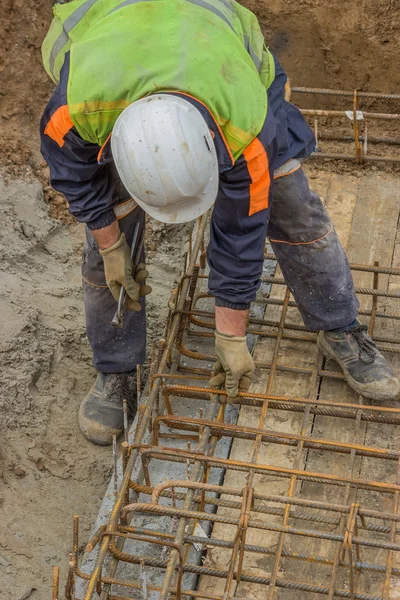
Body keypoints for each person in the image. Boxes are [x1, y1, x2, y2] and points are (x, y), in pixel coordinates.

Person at [40, 0, 400, 445]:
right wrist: (111, 243)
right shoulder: (77, 109)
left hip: (222, 64)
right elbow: (74, 175)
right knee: (105, 236)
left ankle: (340, 328)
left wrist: (231, 334)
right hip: (111, 51)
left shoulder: (243, 124)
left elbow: (239, 228)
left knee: (290, 202)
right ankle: (117, 371)